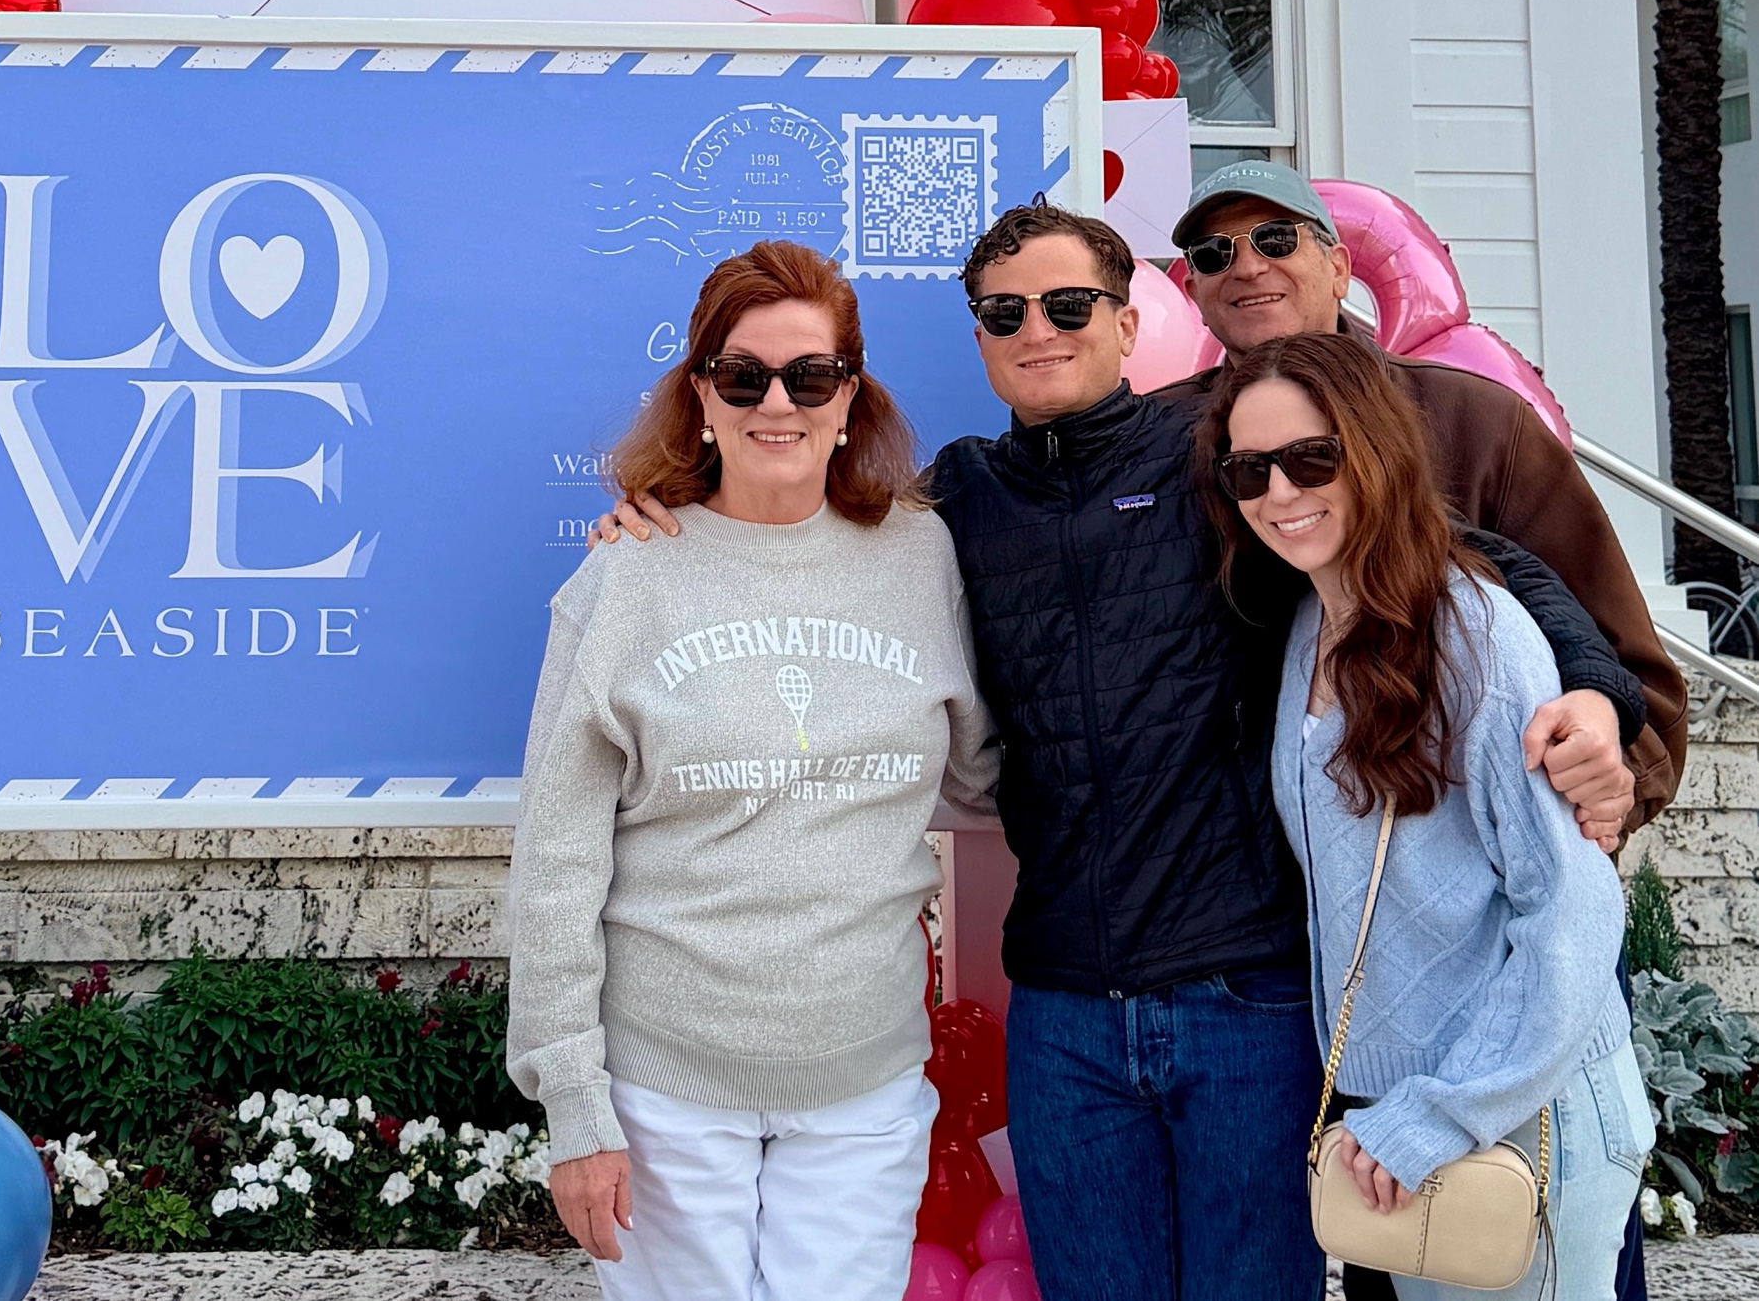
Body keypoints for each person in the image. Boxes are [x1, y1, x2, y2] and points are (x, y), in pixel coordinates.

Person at [594, 203, 1644, 1301]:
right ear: (978, 336)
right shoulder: (950, 502)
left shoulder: (1221, 459)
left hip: (1244, 1000)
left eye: (1066, 304)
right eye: (1004, 312)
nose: (1036, 328)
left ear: (1126, 319)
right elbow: (795, 524)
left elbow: (1443, 551)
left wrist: (1592, 689)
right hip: (1062, 1012)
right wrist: (664, 509)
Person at [1173, 159, 1682, 1301]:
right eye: (1247, 468)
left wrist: (1601, 723)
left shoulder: (1470, 618)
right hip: (1393, 1120)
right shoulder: (1305, 615)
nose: (1278, 488)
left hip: (1508, 1111)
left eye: (1312, 459)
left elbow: (1567, 900)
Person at [507, 238, 996, 1299]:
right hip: (663, 1086)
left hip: (861, 1079)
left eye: (809, 375)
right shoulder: (623, 578)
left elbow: (988, 773)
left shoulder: (921, 557)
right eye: (743, 374)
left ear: (848, 396)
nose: (778, 400)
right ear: (700, 396)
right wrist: (573, 1105)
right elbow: (553, 862)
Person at [1172, 158, 1684, 830]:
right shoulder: (1161, 445)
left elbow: (1628, 671)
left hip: (1445, 869)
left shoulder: (1478, 422)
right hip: (1230, 890)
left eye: (1276, 238)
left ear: (1339, 268)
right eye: (1215, 253)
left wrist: (1607, 764)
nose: (1246, 267)